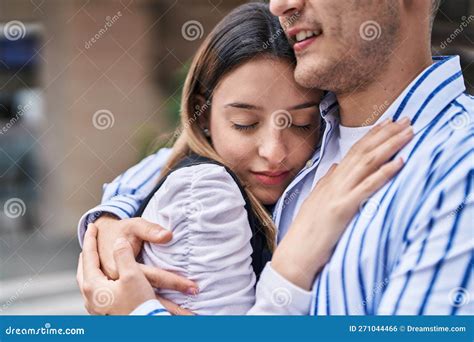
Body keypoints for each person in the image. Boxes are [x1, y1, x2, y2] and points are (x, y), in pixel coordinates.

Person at [78, 0, 473, 315]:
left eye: (299, 125)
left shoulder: (458, 170)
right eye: (246, 123)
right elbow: (194, 154)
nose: (280, 4)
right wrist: (108, 222)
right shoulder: (322, 118)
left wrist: (143, 316)